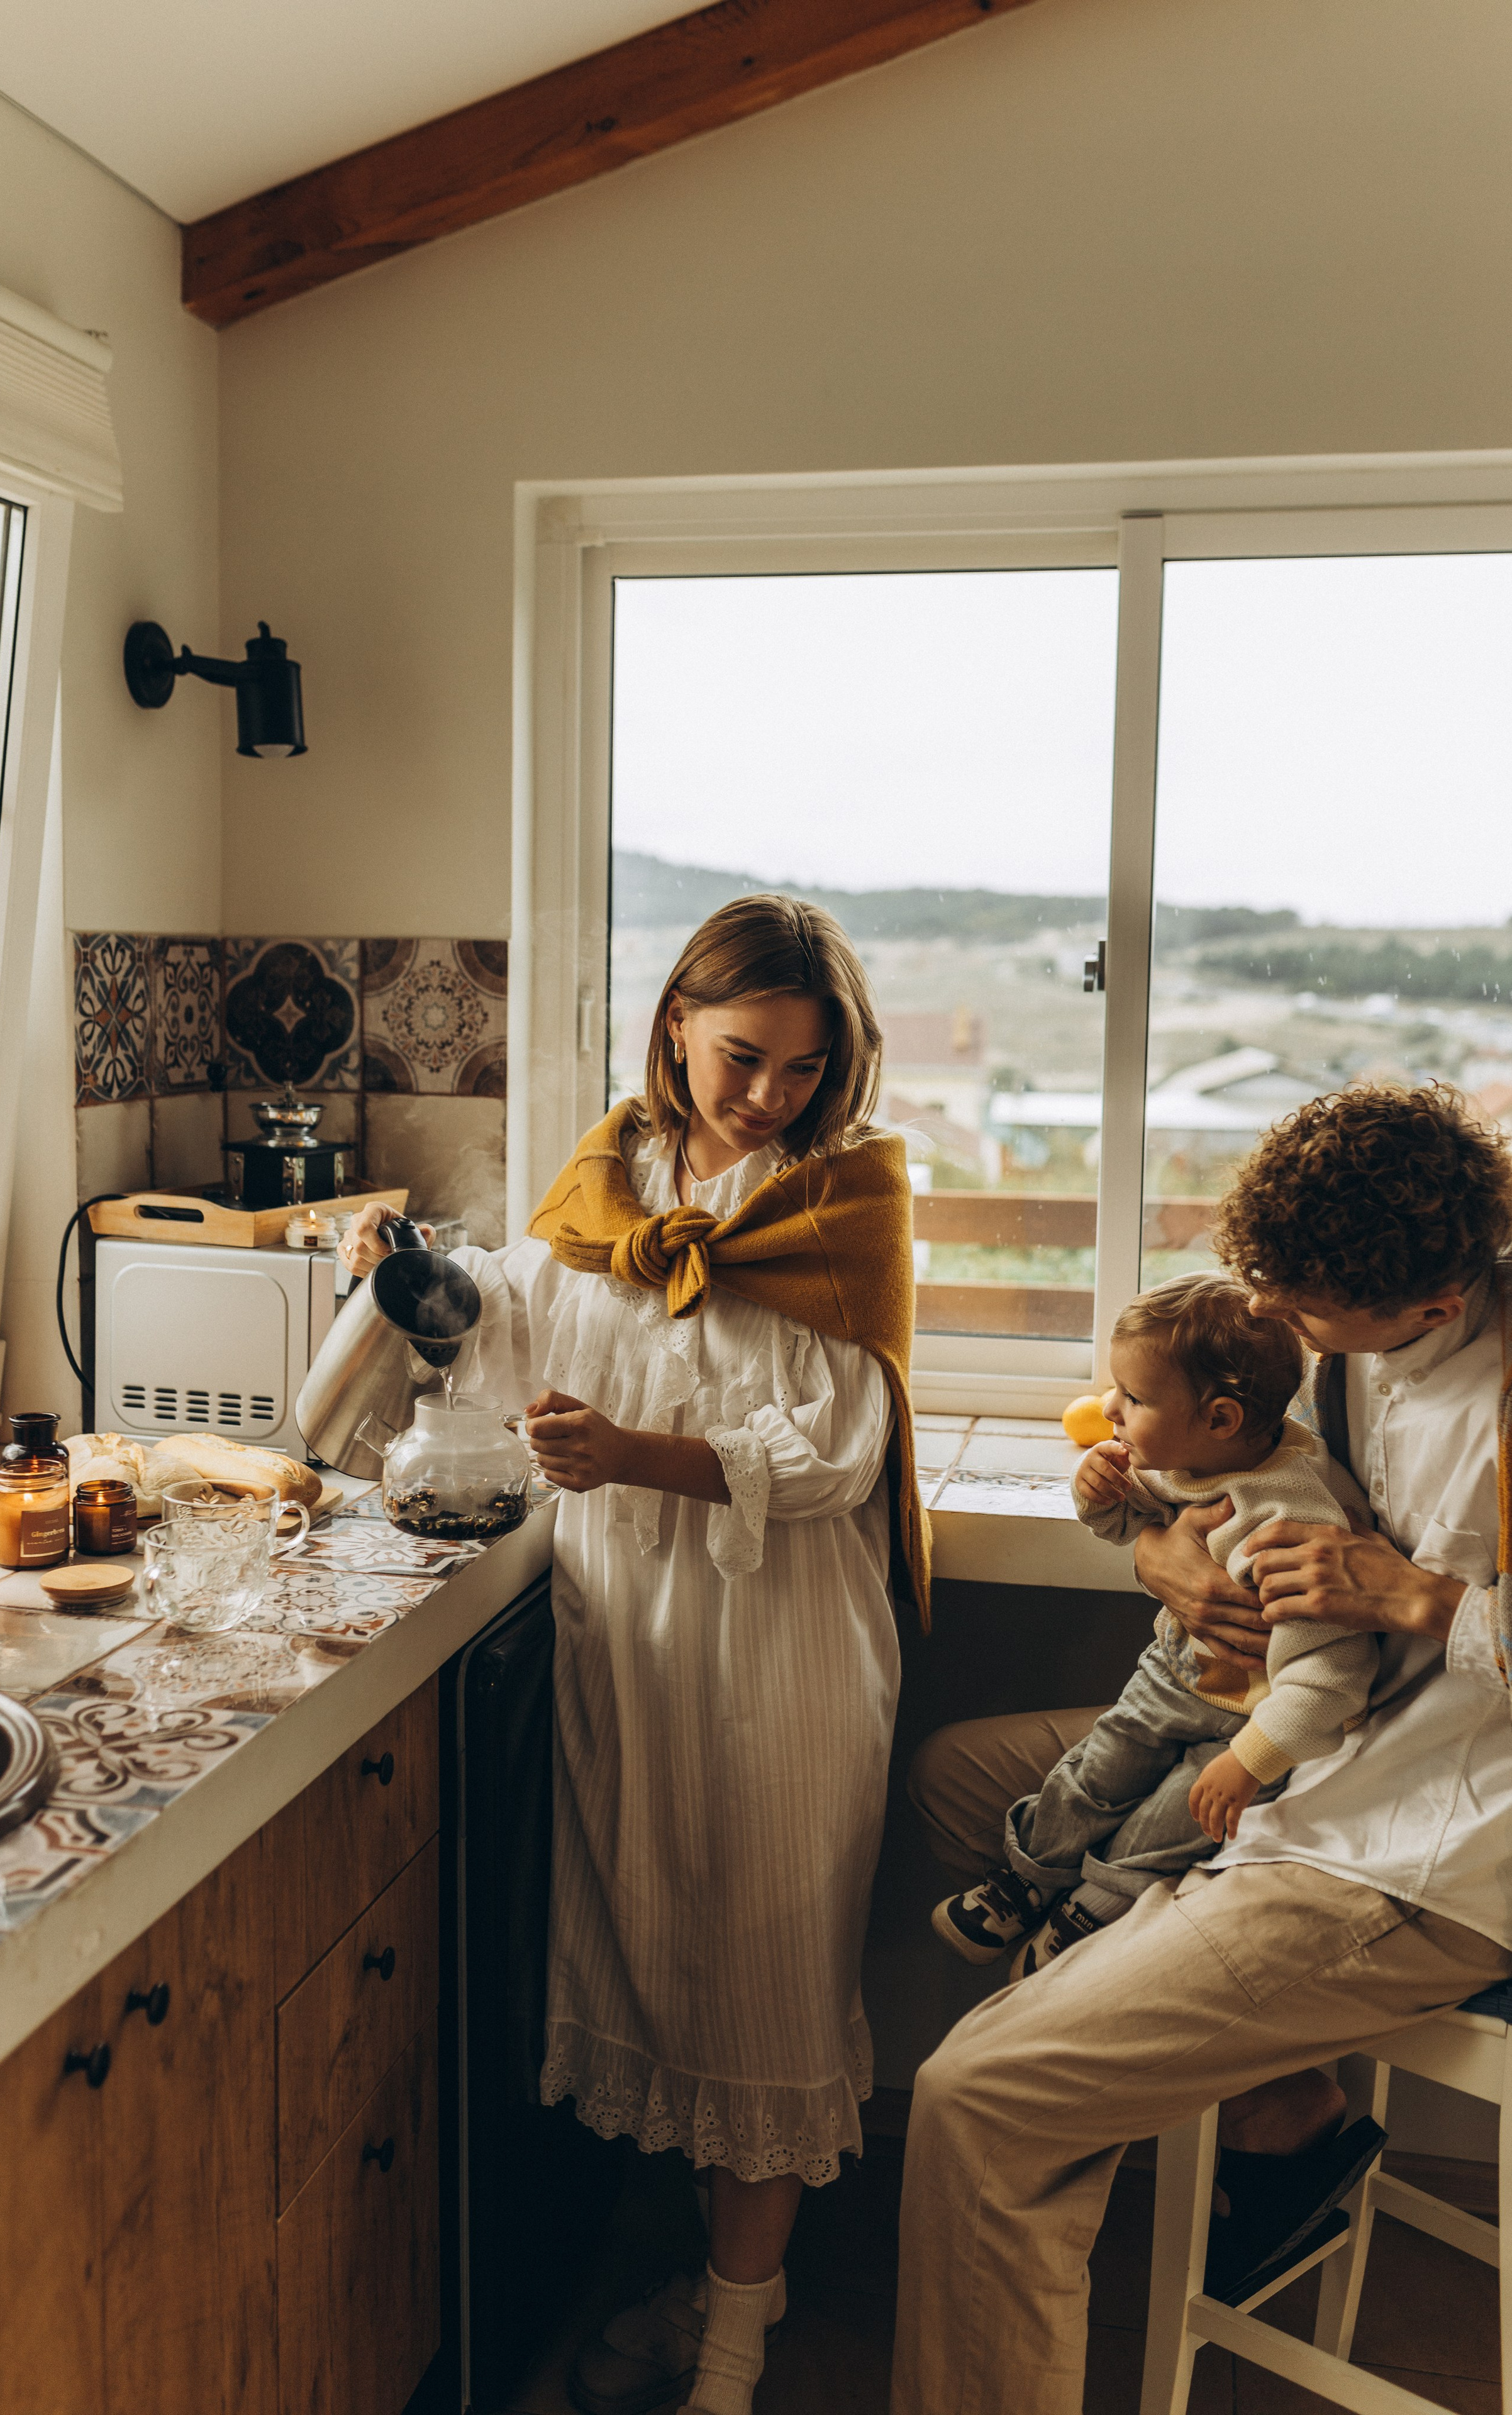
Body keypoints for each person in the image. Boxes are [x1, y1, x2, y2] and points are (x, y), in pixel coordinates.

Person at [341, 896, 928, 2415]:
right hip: (626, 1635)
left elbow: (838, 1455)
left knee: (767, 1990)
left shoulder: (843, 1196)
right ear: (674, 1022)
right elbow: (520, 1321)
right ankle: (709, 2296)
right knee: (663, 1966)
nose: (767, 1094)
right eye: (742, 1056)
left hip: (778, 1647)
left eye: (803, 1068)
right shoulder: (614, 1166)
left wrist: (631, 1452)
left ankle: (727, 2365)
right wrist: (422, 1270)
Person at [894, 1084, 1512, 2415]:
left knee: (975, 2101)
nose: (1276, 1333)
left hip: (1420, 1850)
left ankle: (1103, 2089)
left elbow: (1396, 1603)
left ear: (1429, 1305)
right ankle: (1280, 2112)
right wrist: (1171, 1559)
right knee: (957, 1782)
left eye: (1296, 1315)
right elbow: (1191, 1440)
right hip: (1313, 1757)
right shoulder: (1344, 1333)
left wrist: (1416, 1598)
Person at [936, 1270, 1377, 1979]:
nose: (1109, 1407)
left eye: (1134, 1398)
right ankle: (1026, 1881)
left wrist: (1251, 1761)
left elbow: (1333, 1674)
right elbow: (1130, 1520)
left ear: (1221, 1418)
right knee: (1093, 1773)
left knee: (1166, 1827)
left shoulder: (1291, 1523)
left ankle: (1086, 1919)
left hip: (1249, 1722)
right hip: (1172, 1677)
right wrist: (1097, 1494)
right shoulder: (1195, 1454)